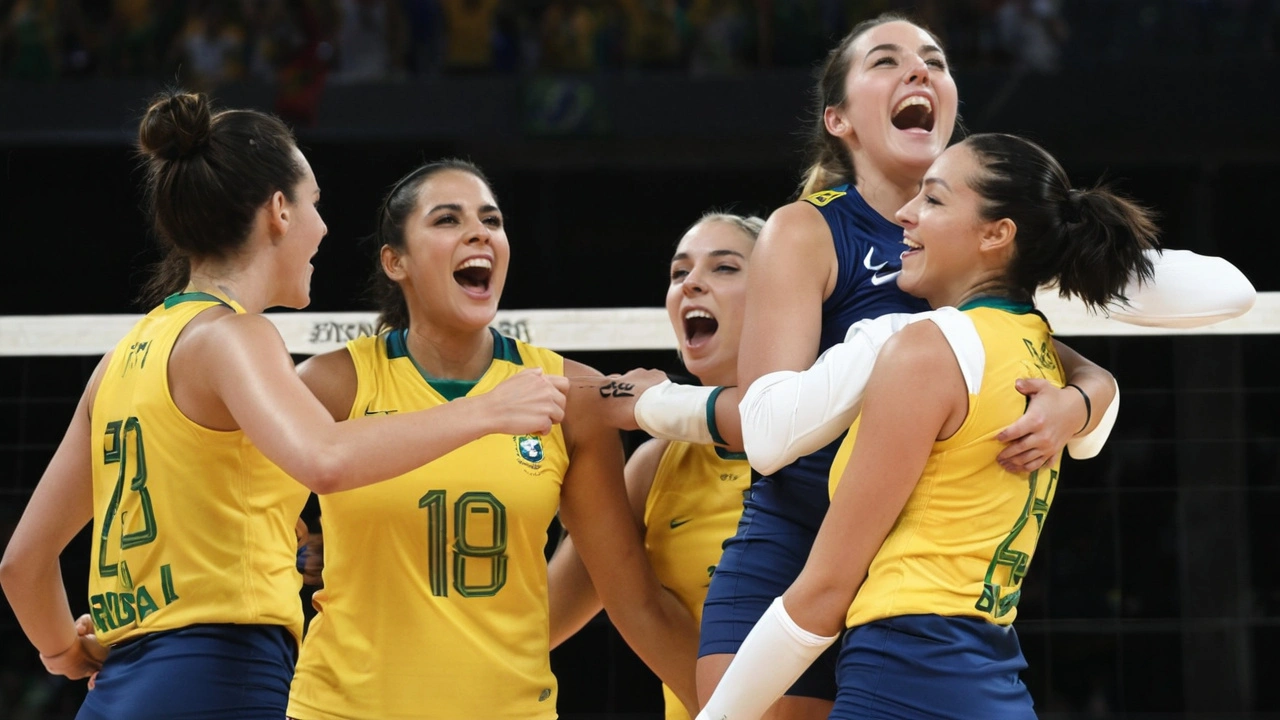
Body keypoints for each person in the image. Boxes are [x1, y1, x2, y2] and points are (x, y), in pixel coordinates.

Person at [0, 91, 568, 720]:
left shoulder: (120, 360)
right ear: (278, 211)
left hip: (119, 692)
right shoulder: (236, 337)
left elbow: (22, 563)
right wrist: (488, 410)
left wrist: (60, 650)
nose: (323, 229)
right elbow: (325, 458)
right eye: (315, 205)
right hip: (222, 679)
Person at [696, 132, 1159, 719]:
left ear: (998, 234)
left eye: (934, 201)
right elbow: (1099, 395)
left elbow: (823, 593)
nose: (905, 214)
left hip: (903, 680)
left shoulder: (926, 352)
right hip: (996, 682)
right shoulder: (1039, 352)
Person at [283, 159, 699, 720]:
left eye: (492, 220)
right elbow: (247, 529)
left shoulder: (565, 393)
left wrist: (738, 707)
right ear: (395, 261)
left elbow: (630, 598)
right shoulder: (333, 383)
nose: (479, 232)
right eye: (448, 220)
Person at [547, 212, 761, 720]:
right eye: (678, 273)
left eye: (725, 268)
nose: (691, 284)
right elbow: (537, 625)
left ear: (784, 293)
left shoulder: (841, 438)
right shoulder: (655, 463)